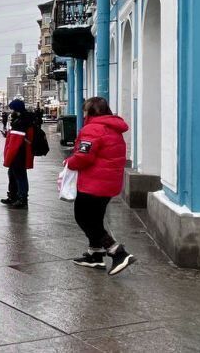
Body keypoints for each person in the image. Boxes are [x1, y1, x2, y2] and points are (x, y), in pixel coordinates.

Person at [67, 97, 136, 275]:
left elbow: (84, 156)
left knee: (83, 217)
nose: (82, 114)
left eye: (84, 110)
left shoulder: (93, 128)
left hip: (93, 183)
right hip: (108, 183)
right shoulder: (113, 128)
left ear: (90, 111)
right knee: (95, 218)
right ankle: (95, 255)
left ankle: (117, 252)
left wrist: (69, 162)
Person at [1, 99, 36, 210]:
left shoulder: (21, 121)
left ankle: (22, 198)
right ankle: (13, 195)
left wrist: (8, 157)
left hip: (19, 153)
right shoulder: (20, 119)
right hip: (18, 152)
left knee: (20, 176)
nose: (11, 111)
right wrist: (8, 134)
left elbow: (16, 141)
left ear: (17, 109)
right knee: (12, 174)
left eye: (12, 109)